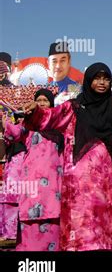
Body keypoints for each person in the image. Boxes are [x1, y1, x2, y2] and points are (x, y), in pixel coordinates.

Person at [22, 62, 112, 251]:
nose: (102, 83)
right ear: (88, 80)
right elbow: (52, 116)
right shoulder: (75, 108)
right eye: (97, 78)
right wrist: (36, 111)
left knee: (103, 231)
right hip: (79, 185)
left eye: (106, 79)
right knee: (80, 231)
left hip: (106, 184)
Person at [4, 89, 63, 251]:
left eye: (46, 100)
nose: (42, 103)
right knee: (29, 221)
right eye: (39, 100)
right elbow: (13, 134)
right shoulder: (28, 125)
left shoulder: (59, 127)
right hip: (31, 183)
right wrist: (5, 123)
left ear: (52, 104)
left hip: (53, 185)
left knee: (52, 217)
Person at [0, 114, 25, 241]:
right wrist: (5, 128)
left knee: (18, 198)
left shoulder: (31, 129)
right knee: (8, 198)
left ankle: (14, 233)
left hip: (24, 166)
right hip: (12, 167)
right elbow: (2, 152)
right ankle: (8, 232)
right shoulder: (9, 133)